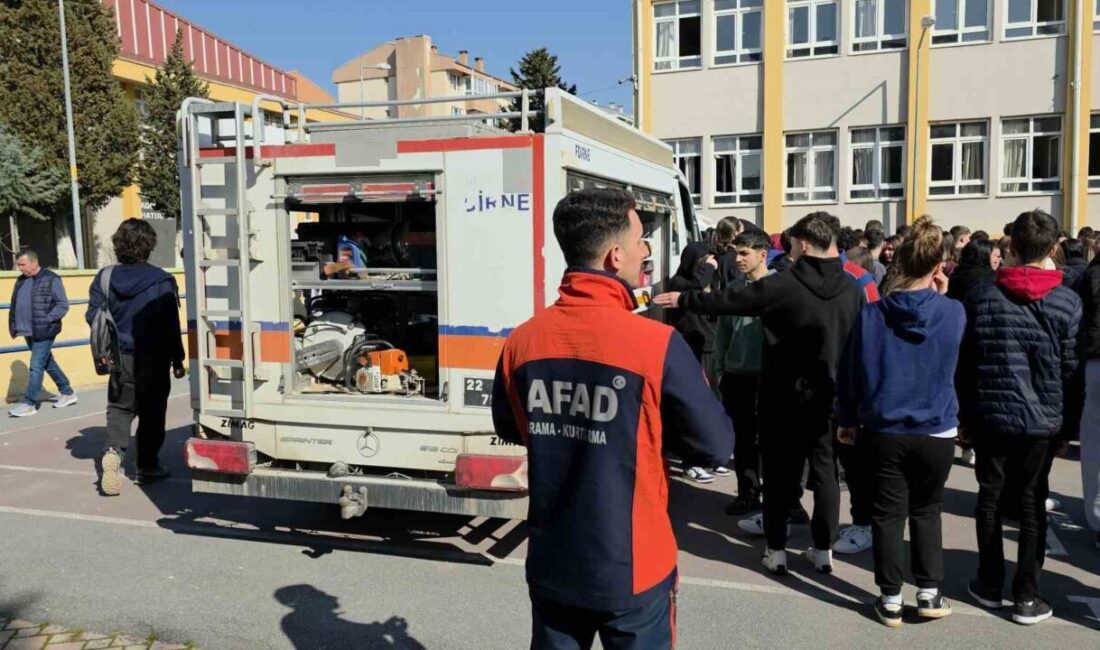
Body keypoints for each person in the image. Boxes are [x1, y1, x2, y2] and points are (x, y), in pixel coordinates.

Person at [492, 188, 732, 649]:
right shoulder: (655, 343)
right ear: (614, 255)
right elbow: (715, 445)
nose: (646, 251)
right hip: (634, 565)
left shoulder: (522, 341)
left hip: (553, 560)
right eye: (642, 240)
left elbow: (509, 427)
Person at [655, 212, 864, 576]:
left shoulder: (786, 283)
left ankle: (777, 550)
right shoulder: (853, 289)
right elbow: (860, 348)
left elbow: (729, 301)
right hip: (828, 396)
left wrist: (685, 300)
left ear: (801, 244)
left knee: (780, 475)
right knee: (826, 473)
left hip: (780, 395)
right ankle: (822, 550)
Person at [838, 217, 964, 628]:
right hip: (936, 428)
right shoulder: (953, 312)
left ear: (899, 262)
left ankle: (890, 597)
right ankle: (929, 592)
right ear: (939, 266)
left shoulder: (872, 315)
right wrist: (940, 296)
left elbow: (852, 371)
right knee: (927, 510)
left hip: (884, 427)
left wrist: (847, 418)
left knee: (887, 514)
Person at [957, 210, 1081, 626]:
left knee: (990, 498)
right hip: (1041, 419)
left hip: (991, 413)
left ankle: (990, 582)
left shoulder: (982, 296)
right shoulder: (1066, 300)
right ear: (1052, 249)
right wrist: (1066, 426)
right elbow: (1070, 369)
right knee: (1031, 504)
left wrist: (966, 418)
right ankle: (1026, 594)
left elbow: (968, 362)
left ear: (1010, 247)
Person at [87, 220, 185, 497]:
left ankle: (113, 453)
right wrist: (177, 359)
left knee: (120, 408)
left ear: (118, 245)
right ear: (149, 245)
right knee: (153, 412)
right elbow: (170, 325)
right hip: (154, 358)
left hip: (120, 357)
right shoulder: (162, 280)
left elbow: (93, 317)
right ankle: (147, 466)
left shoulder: (104, 278)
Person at [667, 216, 740, 483]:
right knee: (696, 403)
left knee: (715, 400)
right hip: (694, 341)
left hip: (711, 342)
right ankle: (691, 461)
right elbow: (693, 289)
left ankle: (708, 456)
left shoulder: (718, 268)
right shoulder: (683, 279)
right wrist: (705, 270)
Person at [714, 230, 774, 516]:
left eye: (744, 253)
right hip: (737, 375)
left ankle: (786, 498)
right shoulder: (734, 290)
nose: (736, 258)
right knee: (743, 439)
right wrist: (719, 369)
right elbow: (722, 333)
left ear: (763, 254)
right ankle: (747, 493)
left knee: (774, 441)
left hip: (770, 376)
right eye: (736, 252)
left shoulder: (778, 287)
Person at [7, 249, 77, 417]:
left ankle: (29, 403)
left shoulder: (51, 278)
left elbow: (62, 305)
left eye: (23, 265)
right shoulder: (21, 280)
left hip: (44, 330)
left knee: (36, 366)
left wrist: (47, 319)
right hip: (27, 330)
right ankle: (67, 392)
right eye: (19, 265)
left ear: (34, 262)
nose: (20, 268)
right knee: (47, 362)